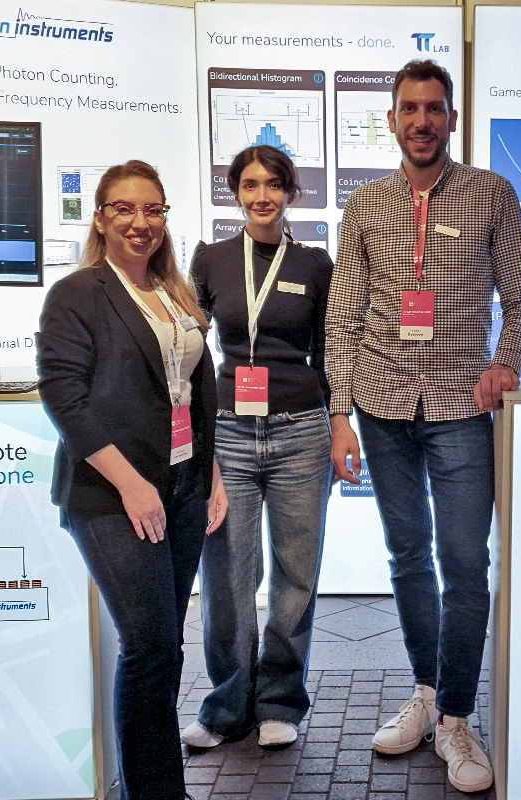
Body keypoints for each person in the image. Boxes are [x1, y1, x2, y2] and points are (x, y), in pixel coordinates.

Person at [326, 59, 521, 793]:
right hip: (381, 403)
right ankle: (422, 691)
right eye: (409, 109)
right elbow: (345, 313)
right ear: (391, 119)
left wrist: (505, 365)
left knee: (465, 563)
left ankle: (456, 717)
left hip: (459, 406)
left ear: (451, 118)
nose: (422, 121)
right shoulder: (366, 204)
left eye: (434, 109)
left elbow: (520, 294)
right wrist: (339, 414)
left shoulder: (492, 194)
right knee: (407, 556)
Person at [37, 160, 227, 800]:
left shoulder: (175, 292)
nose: (140, 222)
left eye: (153, 210)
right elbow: (65, 398)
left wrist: (213, 477)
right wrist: (131, 484)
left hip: (182, 487)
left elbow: (198, 398)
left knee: (167, 648)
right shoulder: (79, 293)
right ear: (100, 217)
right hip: (113, 496)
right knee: (147, 645)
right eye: (124, 208)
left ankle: (158, 785)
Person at [182, 145, 333, 749]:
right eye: (249, 185)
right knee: (226, 575)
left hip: (300, 431)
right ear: (235, 193)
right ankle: (226, 707)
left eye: (273, 184)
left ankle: (280, 703)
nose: (261, 195)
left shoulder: (316, 263)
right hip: (228, 436)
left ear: (291, 192)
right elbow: (190, 352)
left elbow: (331, 351)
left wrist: (336, 416)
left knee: (296, 576)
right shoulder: (212, 260)